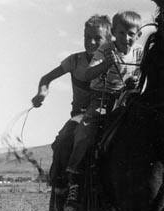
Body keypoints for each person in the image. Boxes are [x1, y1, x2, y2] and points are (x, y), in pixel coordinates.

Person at [64, 10, 143, 211]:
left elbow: (146, 72)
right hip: (101, 98)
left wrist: (138, 80)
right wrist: (106, 64)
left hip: (126, 98)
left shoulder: (139, 52)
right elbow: (89, 73)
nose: (126, 38)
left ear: (138, 35)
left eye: (131, 34)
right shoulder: (105, 50)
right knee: (85, 131)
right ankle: (74, 181)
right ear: (113, 34)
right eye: (122, 33)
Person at [31, 14, 112, 191]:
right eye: (87, 37)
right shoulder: (75, 61)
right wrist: (42, 93)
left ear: (108, 39)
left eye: (97, 38)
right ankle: (61, 188)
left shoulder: (115, 61)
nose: (90, 42)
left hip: (113, 114)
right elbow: (47, 78)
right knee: (63, 141)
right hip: (82, 115)